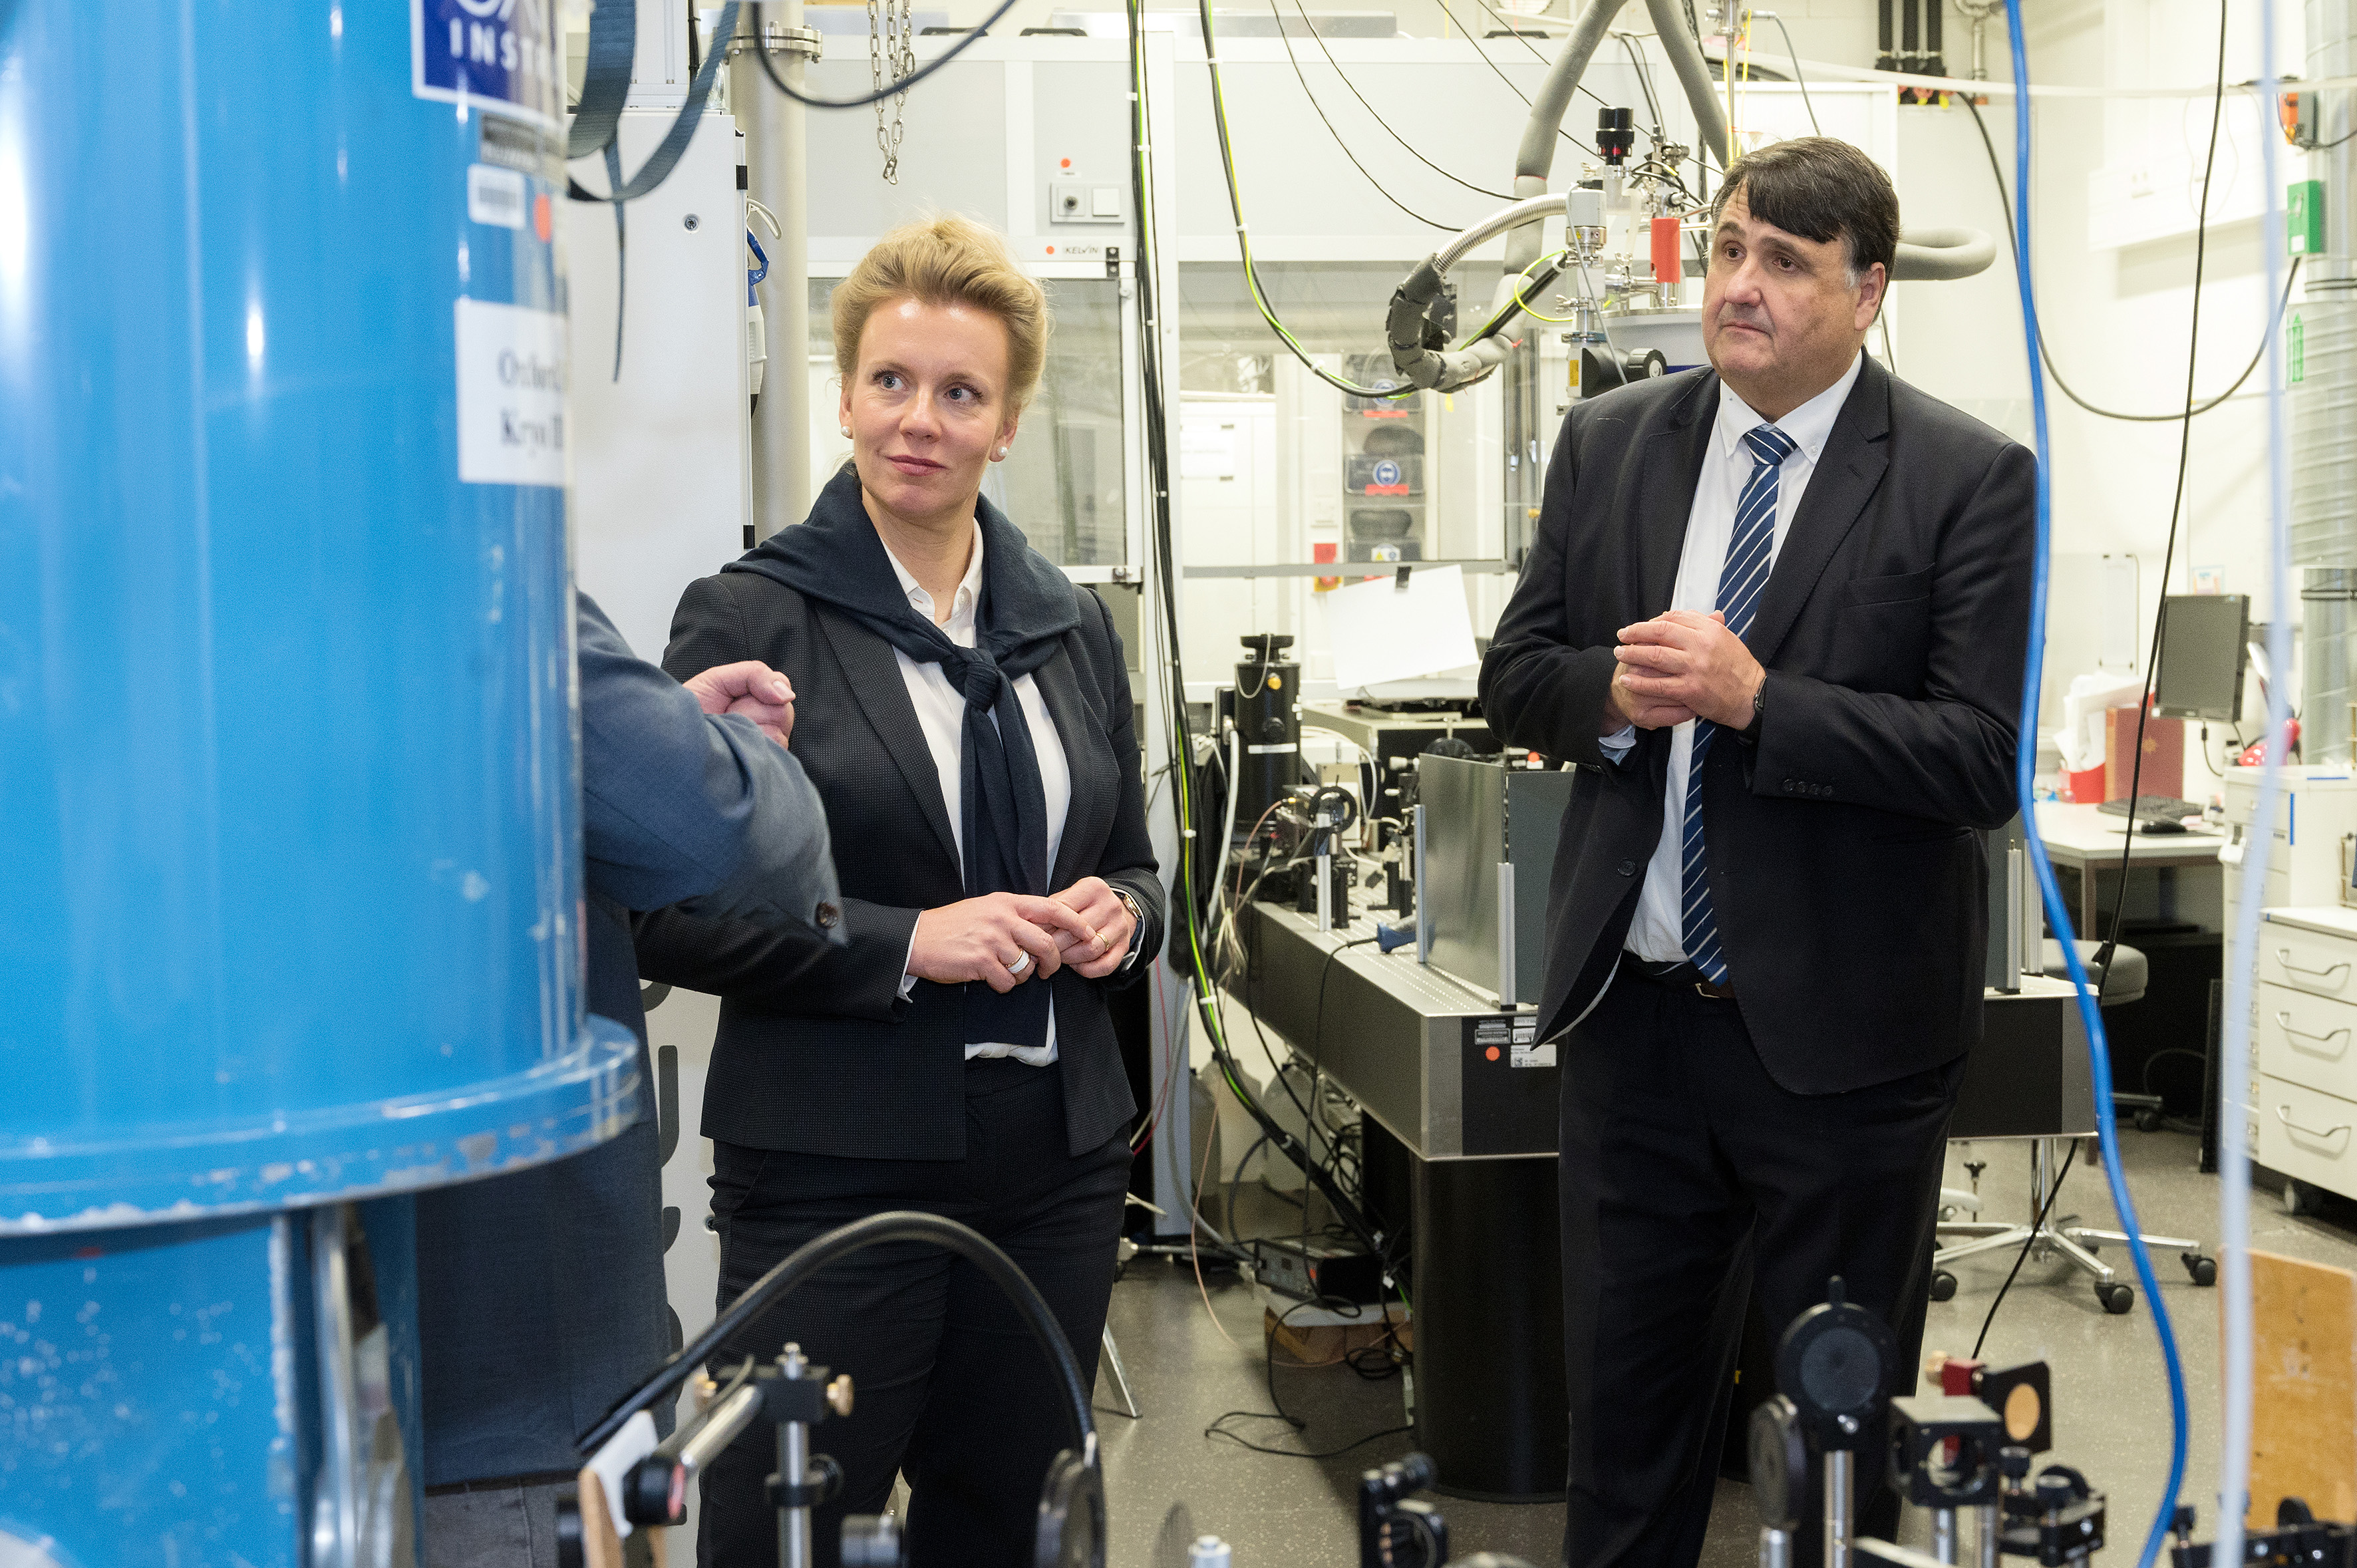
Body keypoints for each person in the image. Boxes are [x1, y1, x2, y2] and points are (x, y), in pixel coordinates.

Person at [1478, 137, 2034, 1568]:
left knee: (1831, 1449)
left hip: (1843, 1054)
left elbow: (1975, 762)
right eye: (1728, 249)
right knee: (1623, 1436)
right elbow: (1516, 674)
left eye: (1782, 262)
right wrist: (1607, 690)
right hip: (1634, 1031)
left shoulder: (1965, 480)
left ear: (1867, 289)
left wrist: (1758, 703)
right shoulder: (1612, 444)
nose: (1739, 285)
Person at [631, 214, 1164, 1568]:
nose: (916, 420)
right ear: (848, 391)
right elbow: (675, 907)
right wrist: (911, 941)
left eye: (959, 393)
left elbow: (1136, 858)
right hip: (836, 1170)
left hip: (1054, 1170)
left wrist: (1124, 914)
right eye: (888, 382)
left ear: (1008, 421)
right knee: (780, 1532)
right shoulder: (754, 616)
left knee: (1013, 1532)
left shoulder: (1066, 625)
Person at [416, 593, 842, 1567]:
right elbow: (710, 823)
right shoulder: (456, 535)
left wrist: (602, 760)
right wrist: (739, 757)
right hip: (502, 1408)